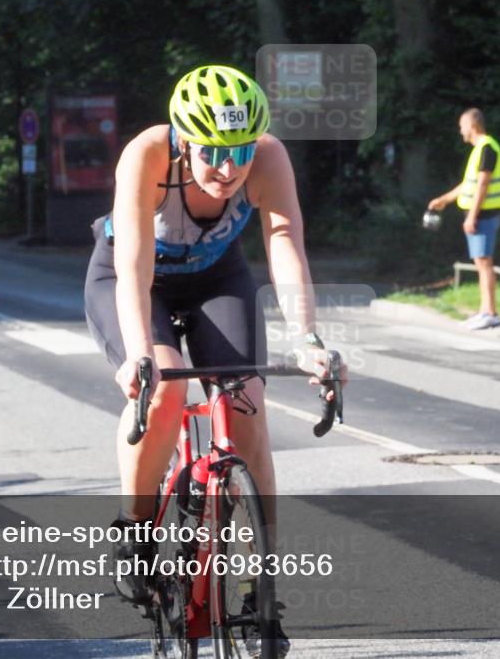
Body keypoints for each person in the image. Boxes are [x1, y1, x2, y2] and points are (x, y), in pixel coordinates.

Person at [84, 65, 341, 655]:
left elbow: (284, 245)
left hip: (213, 276)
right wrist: (141, 357)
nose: (229, 169)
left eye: (241, 151)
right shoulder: (146, 155)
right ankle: (136, 534)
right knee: (166, 390)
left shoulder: (269, 159)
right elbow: (133, 270)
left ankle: (262, 585)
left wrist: (307, 340)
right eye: (213, 153)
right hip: (132, 279)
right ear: (183, 139)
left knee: (247, 401)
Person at [427, 108, 500, 330]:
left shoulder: (487, 148)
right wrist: (445, 199)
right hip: (480, 214)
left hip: (484, 215)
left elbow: (483, 184)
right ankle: (485, 311)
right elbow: (469, 184)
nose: (460, 131)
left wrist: (471, 216)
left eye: (462, 126)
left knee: (484, 263)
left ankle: (490, 313)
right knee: (481, 262)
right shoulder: (480, 150)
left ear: (472, 126)